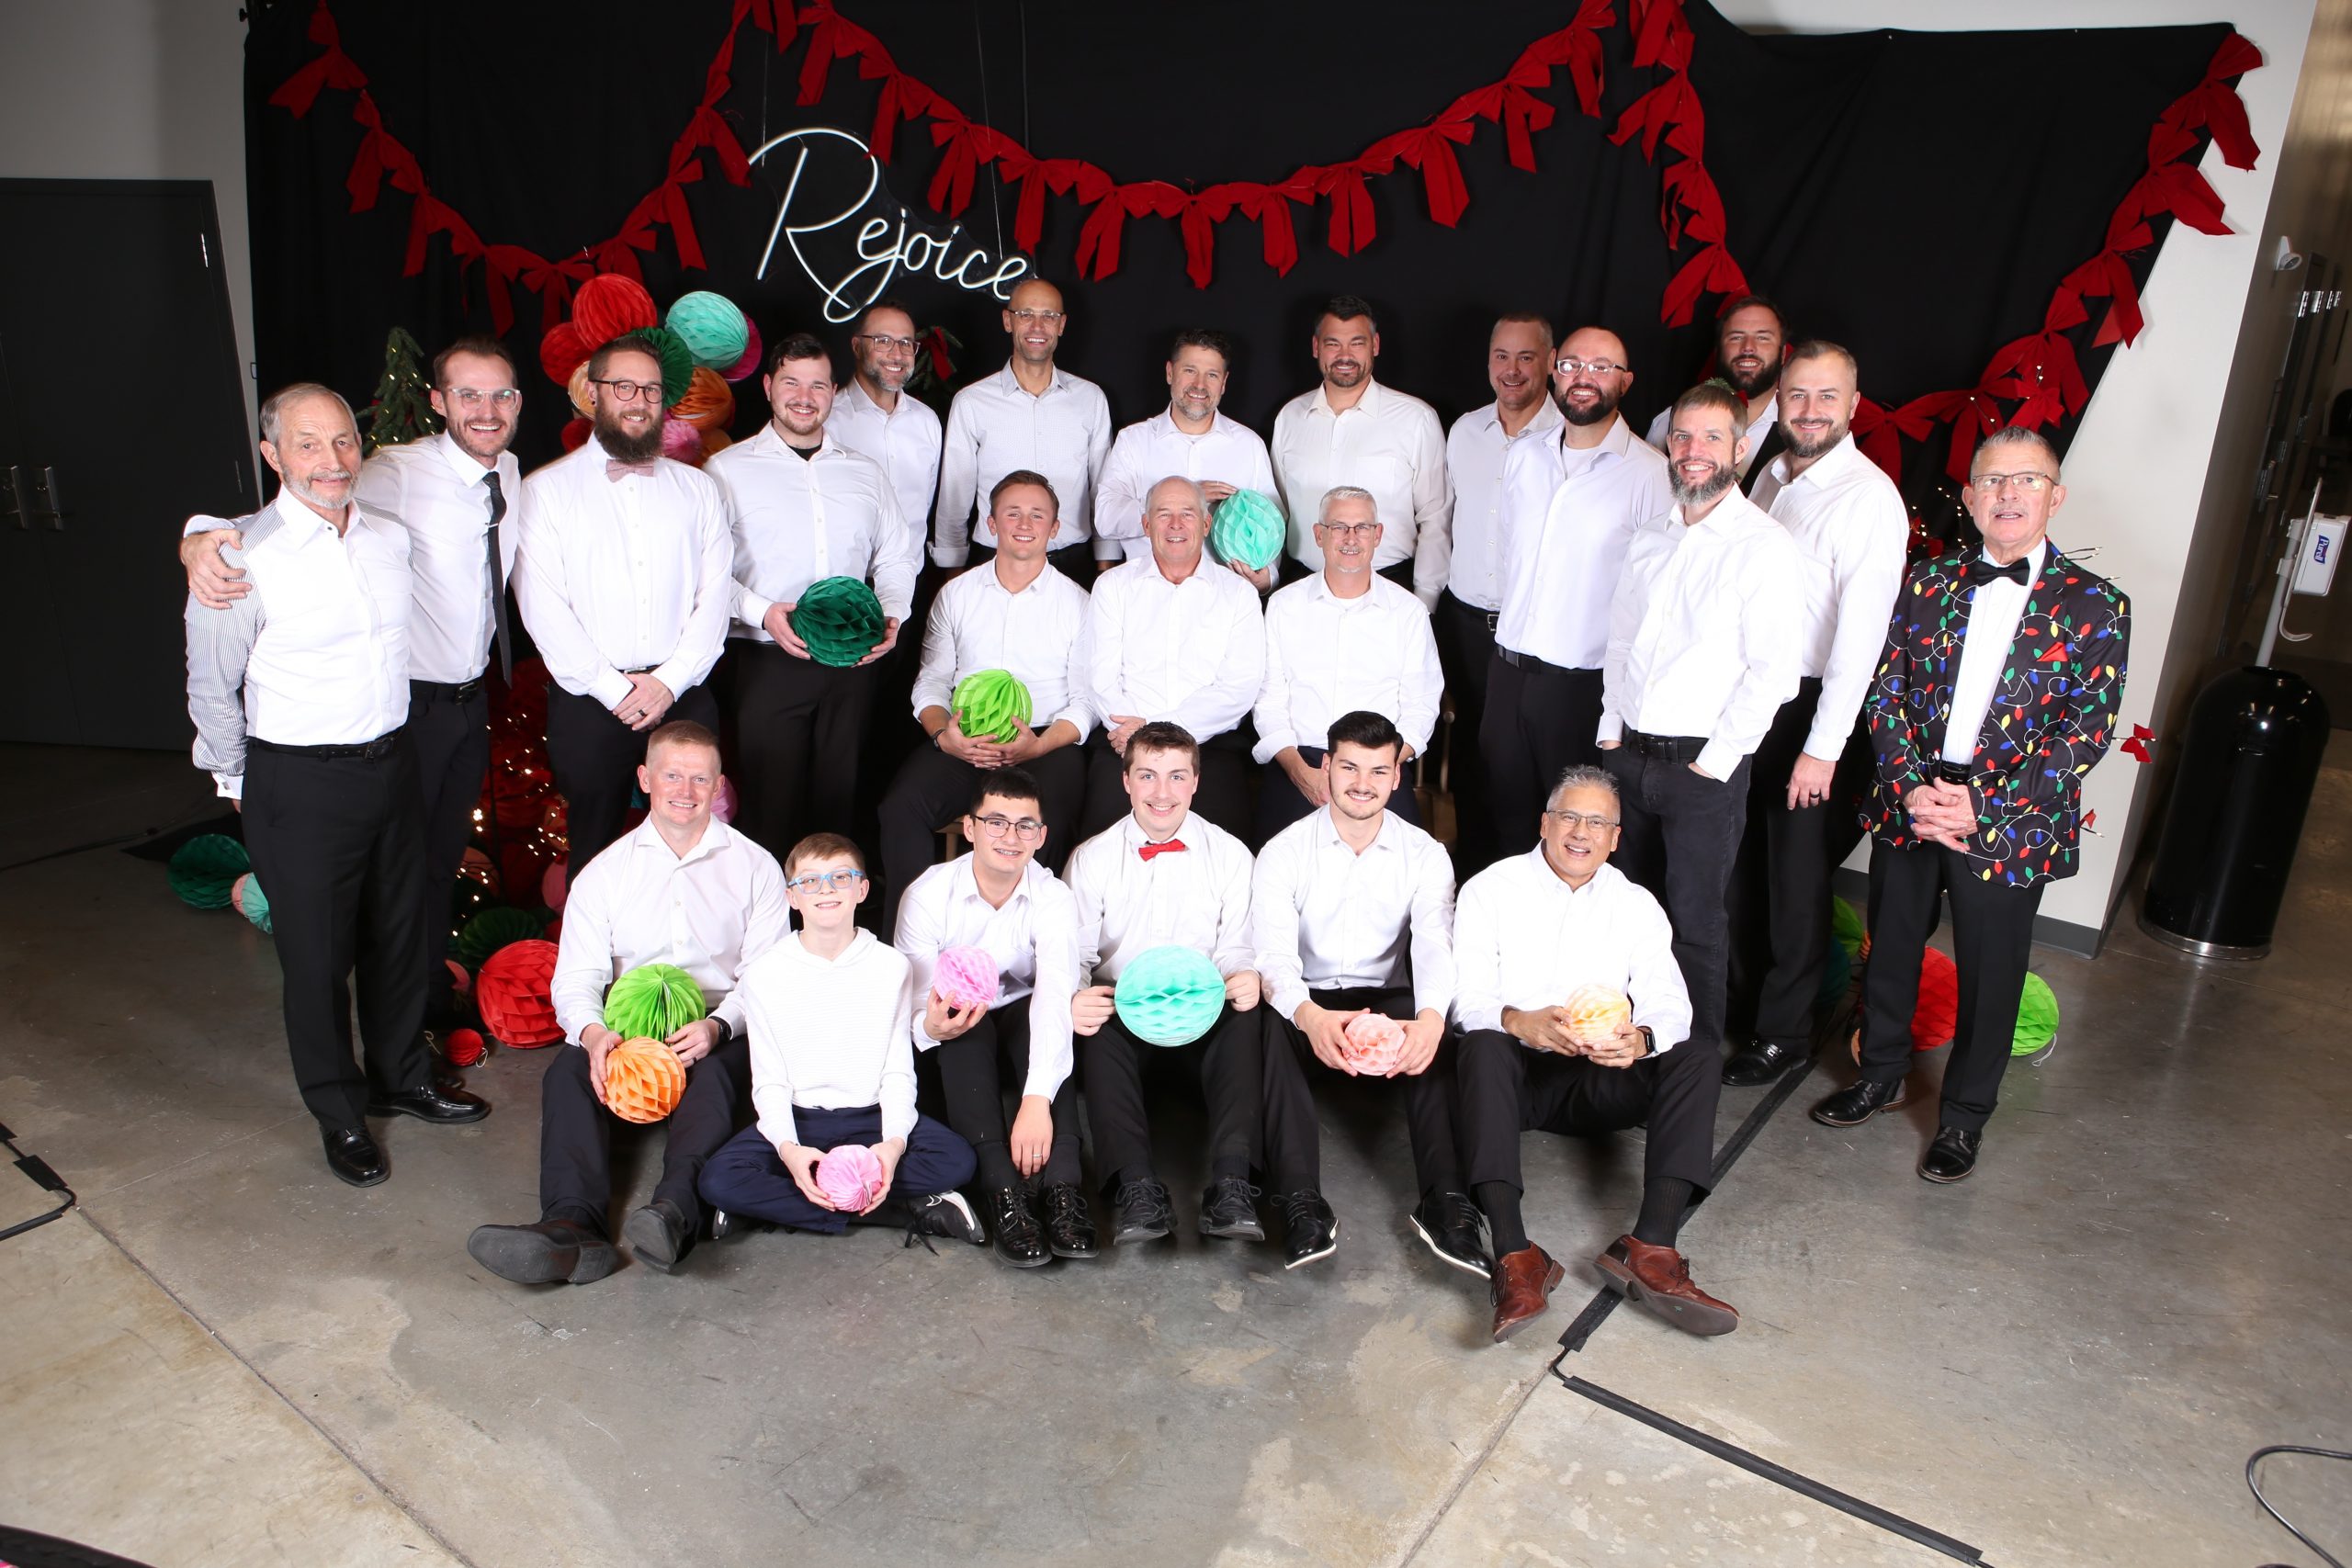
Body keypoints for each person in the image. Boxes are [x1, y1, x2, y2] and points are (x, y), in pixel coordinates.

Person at [181, 336, 527, 1043]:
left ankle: (422, 1010)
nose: (486, 411)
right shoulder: (393, 471)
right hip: (404, 707)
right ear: (438, 402)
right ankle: (397, 1029)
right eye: (467, 394)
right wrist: (201, 535)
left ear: (519, 403)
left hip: (468, 701)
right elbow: (295, 508)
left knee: (433, 870)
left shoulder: (512, 472)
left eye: (501, 394)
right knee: (384, 891)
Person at [185, 383, 487, 1187]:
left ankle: (401, 1077)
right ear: (272, 454)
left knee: (399, 936)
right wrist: (241, 781)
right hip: (297, 778)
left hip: (392, 762)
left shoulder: (388, 537)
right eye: (308, 444)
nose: (332, 460)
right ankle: (340, 1111)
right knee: (318, 961)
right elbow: (210, 687)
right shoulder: (238, 556)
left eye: (344, 440)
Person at [1812, 427, 2129, 1182]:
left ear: (2055, 496)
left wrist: (1980, 806)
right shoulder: (1927, 582)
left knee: (1992, 972)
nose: (2008, 494)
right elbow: (1885, 689)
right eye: (1992, 480)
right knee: (1892, 947)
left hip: (2008, 822)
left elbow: (2085, 733)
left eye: (2027, 480)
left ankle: (1963, 1117)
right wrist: (1909, 784)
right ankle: (1878, 1073)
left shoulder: (2098, 605)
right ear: (1969, 496)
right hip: (1915, 799)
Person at [465, 722, 787, 1283]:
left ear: (718, 786)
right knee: (567, 1073)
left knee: (715, 1078)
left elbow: (766, 976)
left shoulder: (757, 867)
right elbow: (577, 977)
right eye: (672, 775)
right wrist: (593, 1034)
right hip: (627, 1031)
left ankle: (675, 1213)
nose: (685, 790)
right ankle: (571, 1227)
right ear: (645, 778)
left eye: (700, 778)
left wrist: (719, 1026)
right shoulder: (605, 873)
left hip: (717, 1024)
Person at [1454, 766, 1734, 1340]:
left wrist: (1642, 1038)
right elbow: (1461, 997)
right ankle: (1516, 1256)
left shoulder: (1635, 904)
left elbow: (1669, 1003)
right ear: (1545, 824)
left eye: (1597, 823)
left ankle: (1651, 1248)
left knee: (1699, 1055)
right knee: (1481, 1046)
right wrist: (1518, 1021)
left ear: (1615, 838)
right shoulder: (1490, 889)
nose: (1581, 832)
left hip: (1600, 1078)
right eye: (1569, 817)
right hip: (1517, 1080)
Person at [1599, 381, 1804, 1065]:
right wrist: (1610, 732)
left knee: (1694, 923)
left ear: (1740, 449)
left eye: (1712, 437)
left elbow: (1773, 674)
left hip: (1701, 769)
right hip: (1628, 757)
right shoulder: (1650, 537)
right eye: (1683, 436)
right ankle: (1627, 1051)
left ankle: (1691, 1066)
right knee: (1628, 915)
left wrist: (1713, 763)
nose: (1693, 450)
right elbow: (1621, 641)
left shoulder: (1763, 546)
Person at [1721, 343, 1908, 1087]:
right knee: (1741, 865)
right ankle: (1739, 1007)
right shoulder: (1768, 474)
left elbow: (1861, 642)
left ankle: (1784, 1033)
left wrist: (1824, 747)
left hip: (1812, 709)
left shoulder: (1869, 498)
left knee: (1795, 884)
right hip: (1749, 698)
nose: (1809, 410)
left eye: (1827, 396)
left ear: (1854, 405)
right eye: (1797, 394)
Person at [1255, 712, 1465, 1271]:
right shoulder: (1283, 851)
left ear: (1397, 775)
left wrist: (1431, 1019)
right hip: (1308, 996)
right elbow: (1273, 956)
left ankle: (1446, 1200)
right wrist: (1308, 1016)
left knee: (1438, 1034)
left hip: (1385, 996)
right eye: (1349, 767)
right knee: (1266, 1026)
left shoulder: (1426, 853)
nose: (1362, 783)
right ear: (1327, 767)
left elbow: (1434, 945)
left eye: (1378, 770)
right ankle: (1300, 1201)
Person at [515, 333, 731, 876]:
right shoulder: (545, 491)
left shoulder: (699, 490)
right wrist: (615, 690)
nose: (639, 401)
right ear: (593, 392)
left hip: (683, 692)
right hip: (590, 700)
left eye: (651, 390)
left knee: (700, 847)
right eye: (624, 387)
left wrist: (669, 681)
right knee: (594, 850)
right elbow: (543, 607)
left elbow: (715, 595)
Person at [697, 834, 984, 1242]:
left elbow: (897, 1072)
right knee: (719, 1179)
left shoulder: (891, 966)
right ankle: (905, 1210)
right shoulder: (764, 974)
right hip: (801, 1117)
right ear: (792, 897)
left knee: (957, 1160)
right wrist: (789, 1151)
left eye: (840, 877)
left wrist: (892, 1146)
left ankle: (775, 1205)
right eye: (810, 881)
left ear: (862, 890)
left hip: (871, 1115)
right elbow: (769, 1081)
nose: (826, 889)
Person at [706, 332, 916, 858]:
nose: (805, 397)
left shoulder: (865, 472)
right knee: (770, 811)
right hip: (766, 661)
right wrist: (762, 613)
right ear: (768, 386)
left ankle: (835, 909)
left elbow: (896, 556)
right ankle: (768, 910)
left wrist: (892, 612)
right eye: (792, 383)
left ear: (833, 391)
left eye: (818, 385)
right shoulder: (727, 470)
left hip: (852, 664)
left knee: (839, 807)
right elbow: (705, 573)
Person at [1065, 723, 1268, 1247]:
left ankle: (1232, 1183)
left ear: (1195, 782)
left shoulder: (1231, 855)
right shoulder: (1092, 858)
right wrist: (1076, 995)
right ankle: (1136, 1188)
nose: (1162, 792)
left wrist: (1243, 974)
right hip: (1126, 1013)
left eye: (1177, 776)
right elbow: (1076, 955)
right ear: (1126, 781)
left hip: (1204, 1010)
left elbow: (1237, 946)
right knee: (1095, 1025)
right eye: (1148, 775)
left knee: (1248, 1016)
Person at [1480, 326, 1673, 860]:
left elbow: (1653, 600)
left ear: (1625, 381)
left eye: (1601, 367)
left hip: (1581, 689)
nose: (1583, 377)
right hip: (1508, 673)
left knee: (1575, 838)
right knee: (1506, 822)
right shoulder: (1524, 455)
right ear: (1554, 372)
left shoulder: (1650, 475)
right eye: (1571, 365)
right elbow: (1511, 557)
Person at [895, 768, 1095, 1268]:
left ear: (1041, 836)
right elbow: (914, 1003)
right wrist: (930, 1028)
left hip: (1026, 1012)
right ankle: (1001, 1187)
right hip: (961, 1023)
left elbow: (1054, 996)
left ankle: (1064, 1185)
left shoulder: (1054, 897)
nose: (1011, 837)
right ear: (970, 828)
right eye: (997, 822)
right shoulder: (927, 895)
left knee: (1048, 1016)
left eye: (1026, 825)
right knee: (963, 1026)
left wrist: (1036, 1101)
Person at [879, 471, 1091, 931]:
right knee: (900, 807)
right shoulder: (956, 594)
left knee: (1054, 815)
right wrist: (944, 736)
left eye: (1037, 515)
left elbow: (1084, 701)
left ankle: (1032, 941)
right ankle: (913, 942)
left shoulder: (1079, 603)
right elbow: (931, 682)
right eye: (1012, 513)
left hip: (1043, 744)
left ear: (1055, 528)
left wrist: (1038, 745)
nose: (1024, 524)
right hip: (964, 740)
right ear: (991, 524)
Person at [1433, 315, 1563, 869]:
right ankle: (1471, 875)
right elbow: (1441, 521)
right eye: (1502, 357)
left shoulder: (1568, 438)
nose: (1512, 370)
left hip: (1532, 631)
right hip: (1464, 623)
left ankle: (1528, 874)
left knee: (1526, 764)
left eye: (1526, 357)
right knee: (1467, 754)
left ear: (1550, 362)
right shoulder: (1464, 432)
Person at [1251, 487, 1442, 844]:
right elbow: (1268, 700)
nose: (1351, 538)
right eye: (1339, 527)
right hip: (1302, 760)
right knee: (1276, 862)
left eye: (1362, 528)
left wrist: (1378, 772)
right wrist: (1299, 772)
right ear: (1319, 535)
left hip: (1380, 764)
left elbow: (1422, 706)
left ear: (1378, 535)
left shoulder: (1409, 612)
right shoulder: (1284, 606)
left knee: (1399, 868)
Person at [1080, 477, 1266, 838]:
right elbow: (1100, 677)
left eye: (1187, 514)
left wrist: (1156, 732)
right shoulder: (1113, 586)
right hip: (1125, 744)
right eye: (1164, 515)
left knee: (1225, 844)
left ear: (1207, 524)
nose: (1176, 525)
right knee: (1099, 839)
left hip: (1210, 745)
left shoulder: (1238, 594)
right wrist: (1140, 740)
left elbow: (1238, 688)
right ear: (1146, 525)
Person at [1270, 295, 1450, 604]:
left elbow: (1436, 518)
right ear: (1315, 347)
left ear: (1375, 345)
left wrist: (1425, 602)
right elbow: (1278, 512)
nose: (1345, 355)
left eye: (1357, 343)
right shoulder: (1290, 418)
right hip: (1304, 591)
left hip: (1391, 590)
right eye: (1333, 344)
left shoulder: (1416, 419)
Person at [933, 277, 1113, 581]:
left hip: (1073, 565)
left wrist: (1105, 567)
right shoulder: (972, 402)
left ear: (1062, 325)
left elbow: (1103, 488)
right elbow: (955, 495)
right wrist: (953, 577)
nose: (1037, 326)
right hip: (993, 564)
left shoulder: (1090, 399)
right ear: (1008, 321)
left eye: (1048, 316)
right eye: (1026, 314)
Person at [1095, 328, 1281, 566]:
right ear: (1170, 373)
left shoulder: (1249, 445)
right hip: (1145, 585)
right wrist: (1185, 499)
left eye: (1212, 375)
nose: (1199, 385)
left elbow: (1272, 528)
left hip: (1227, 587)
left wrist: (1267, 577)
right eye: (1190, 370)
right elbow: (1106, 519)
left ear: (1224, 383)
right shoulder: (1133, 441)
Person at [829, 298, 944, 542]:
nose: (897, 354)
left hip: (912, 566)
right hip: (849, 566)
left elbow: (925, 505)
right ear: (857, 347)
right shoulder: (828, 421)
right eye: (883, 341)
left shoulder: (927, 422)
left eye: (906, 343)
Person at [1644, 295, 1787, 490]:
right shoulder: (1668, 422)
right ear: (1718, 350)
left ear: (1783, 353)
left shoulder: (1797, 430)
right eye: (1736, 337)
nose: (1748, 348)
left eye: (1763, 338)